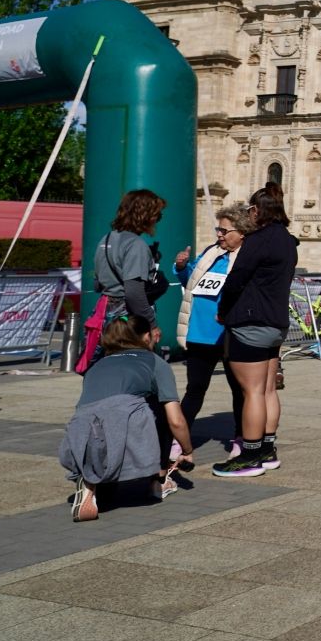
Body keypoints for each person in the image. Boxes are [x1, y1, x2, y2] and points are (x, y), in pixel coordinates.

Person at [59, 317, 194, 521]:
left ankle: (91, 482)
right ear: (146, 336)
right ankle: (158, 481)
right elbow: (176, 420)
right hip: (122, 425)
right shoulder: (155, 362)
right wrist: (187, 451)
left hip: (81, 436)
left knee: (108, 492)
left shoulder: (97, 366)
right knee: (161, 405)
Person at [213, 182, 298, 476]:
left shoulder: (258, 240)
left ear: (256, 211)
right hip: (275, 322)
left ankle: (249, 454)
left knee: (251, 391)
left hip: (251, 320)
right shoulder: (288, 240)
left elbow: (236, 279)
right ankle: (267, 448)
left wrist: (223, 311)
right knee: (267, 389)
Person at [174, 205, 250, 453]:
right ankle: (179, 439)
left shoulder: (248, 257)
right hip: (199, 332)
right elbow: (190, 283)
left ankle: (241, 438)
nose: (219, 234)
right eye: (218, 229)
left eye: (224, 230)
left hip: (230, 334)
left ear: (241, 232)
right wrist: (183, 267)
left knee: (238, 391)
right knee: (194, 389)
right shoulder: (211, 253)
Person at [93, 189, 171, 348]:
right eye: (157, 215)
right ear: (144, 215)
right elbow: (134, 294)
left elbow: (97, 284)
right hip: (128, 322)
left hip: (105, 315)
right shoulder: (136, 245)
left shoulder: (107, 239)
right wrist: (152, 324)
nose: (158, 220)